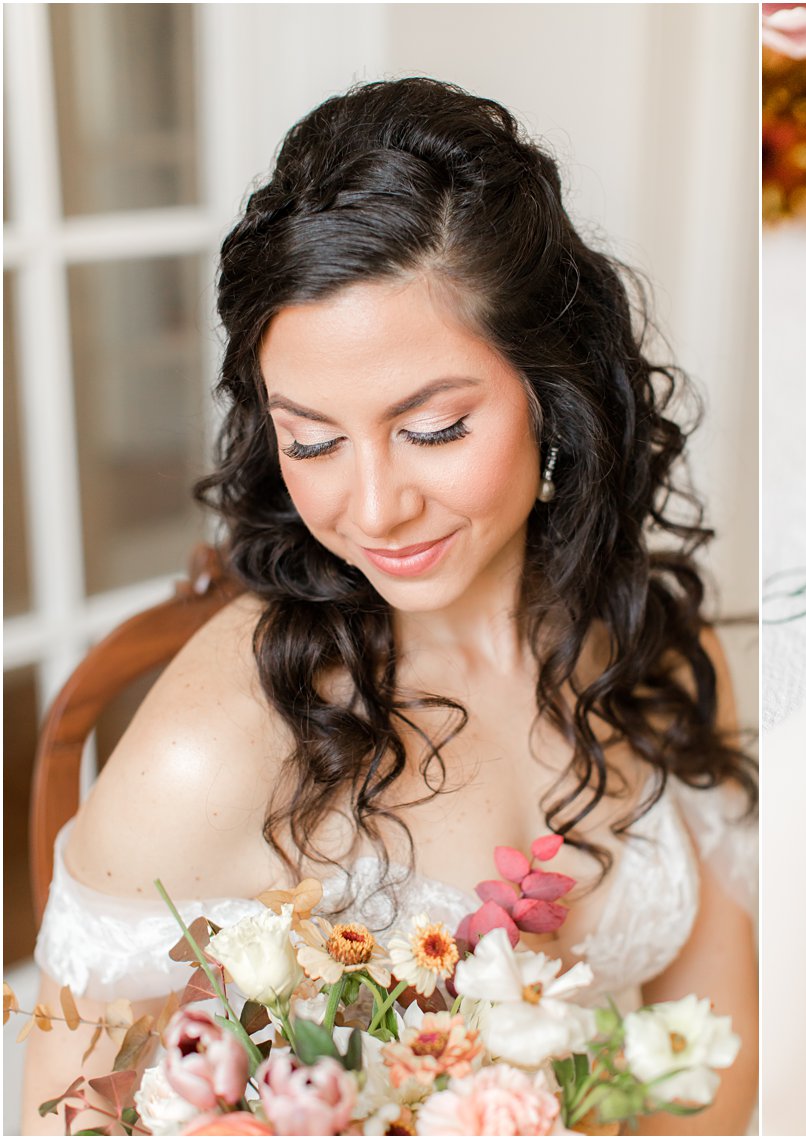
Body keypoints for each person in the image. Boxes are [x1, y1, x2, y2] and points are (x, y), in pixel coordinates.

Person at [21, 77, 758, 1135]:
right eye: (312, 440)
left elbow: (712, 1075)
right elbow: (63, 1114)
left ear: (553, 392)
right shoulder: (214, 746)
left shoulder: (657, 656)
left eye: (433, 428)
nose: (372, 506)